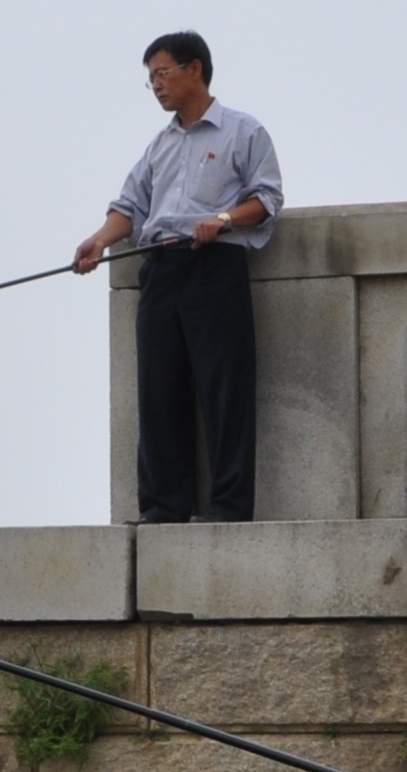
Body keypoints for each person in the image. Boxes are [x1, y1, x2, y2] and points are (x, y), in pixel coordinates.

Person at [72, 31, 280, 524]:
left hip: (215, 265)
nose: (157, 86)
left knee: (223, 388)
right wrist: (100, 239)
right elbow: (129, 205)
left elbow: (267, 199)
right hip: (162, 270)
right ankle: (163, 507)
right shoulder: (159, 146)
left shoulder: (243, 131)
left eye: (162, 74)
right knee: (159, 390)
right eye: (151, 80)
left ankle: (227, 508)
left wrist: (224, 219)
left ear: (195, 70)